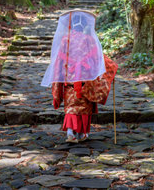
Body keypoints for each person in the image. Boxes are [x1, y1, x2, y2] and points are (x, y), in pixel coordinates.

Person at [41, 10, 118, 143]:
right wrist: (110, 67)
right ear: (85, 25)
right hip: (85, 79)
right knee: (84, 106)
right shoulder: (89, 39)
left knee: (71, 105)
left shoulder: (66, 39)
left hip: (69, 79)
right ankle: (82, 133)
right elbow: (97, 57)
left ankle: (70, 132)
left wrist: (58, 75)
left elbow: (60, 59)